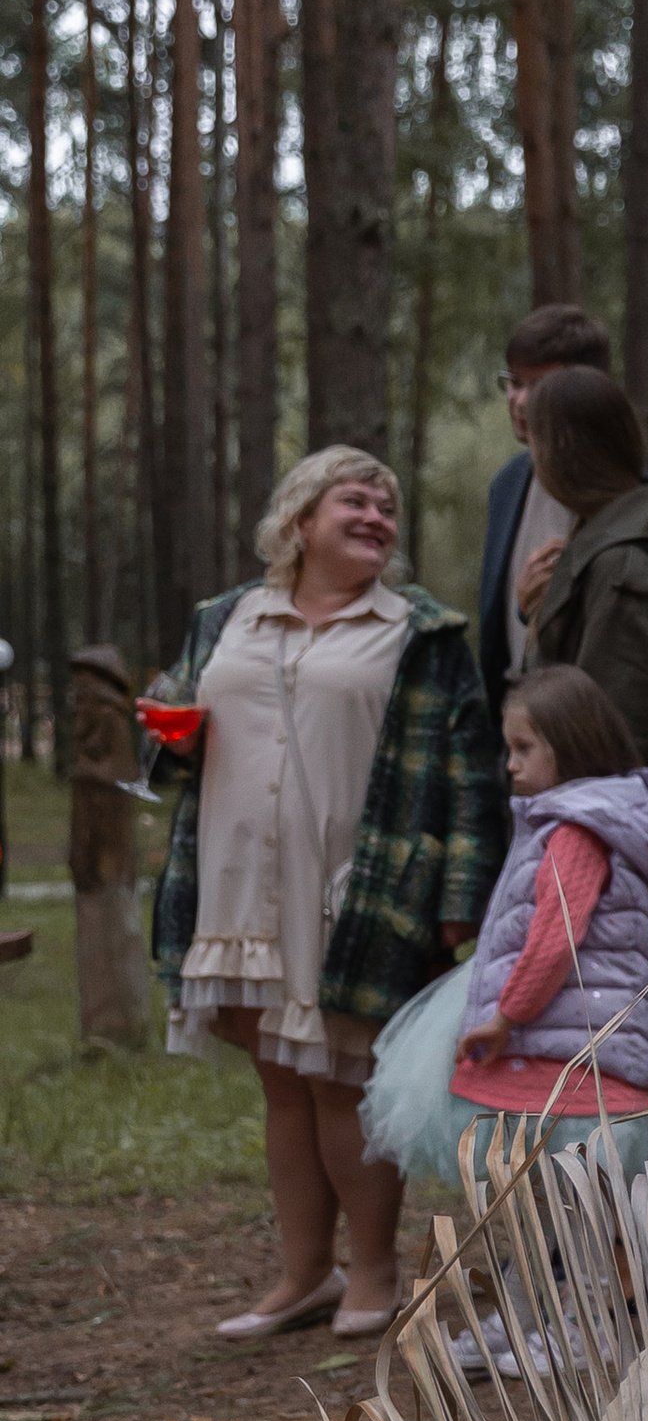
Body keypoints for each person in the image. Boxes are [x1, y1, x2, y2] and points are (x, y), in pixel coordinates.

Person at [149, 446, 508, 1339]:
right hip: (236, 882)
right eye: (357, 501)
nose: (377, 518)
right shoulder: (225, 617)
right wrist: (168, 740)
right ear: (301, 519)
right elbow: (176, 729)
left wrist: (459, 899)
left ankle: (374, 1272)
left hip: (359, 889)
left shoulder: (421, 632)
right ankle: (306, 1273)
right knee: (281, 1081)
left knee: (343, 1079)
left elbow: (471, 776)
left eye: (387, 508)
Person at [358, 664, 648, 1195]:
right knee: (569, 1218)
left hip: (566, 1069)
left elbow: (554, 941)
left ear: (570, 744)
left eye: (524, 748)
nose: (510, 764)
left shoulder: (576, 833)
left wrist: (507, 1017)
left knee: (563, 1210)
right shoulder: (590, 824)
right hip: (584, 1060)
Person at [520, 366, 648, 1138]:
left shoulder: (625, 563)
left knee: (613, 1068)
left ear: (563, 449)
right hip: (590, 843)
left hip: (606, 853)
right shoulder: (603, 542)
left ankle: (619, 1215)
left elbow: (611, 734)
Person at [477, 302, 610, 726]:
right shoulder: (508, 484)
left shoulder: (633, 496)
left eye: (538, 386)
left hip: (596, 731)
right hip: (517, 731)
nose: (519, 400)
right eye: (514, 383)